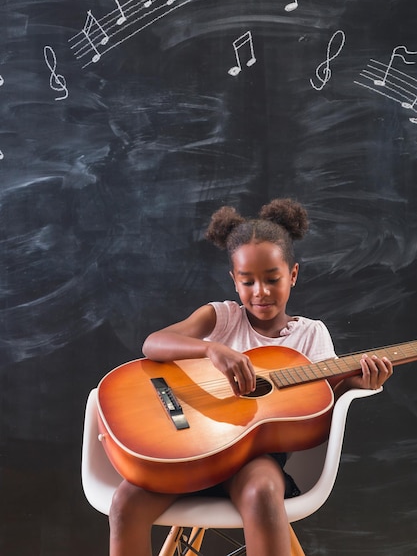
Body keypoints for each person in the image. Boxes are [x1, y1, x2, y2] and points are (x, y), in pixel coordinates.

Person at [109, 198, 393, 556]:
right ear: (234, 281)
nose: (260, 291)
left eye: (272, 279)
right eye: (248, 281)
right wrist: (211, 349)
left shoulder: (310, 335)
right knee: (125, 502)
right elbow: (153, 344)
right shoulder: (222, 317)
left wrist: (356, 384)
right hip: (190, 453)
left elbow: (323, 401)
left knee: (261, 492)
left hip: (254, 460)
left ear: (292, 275)